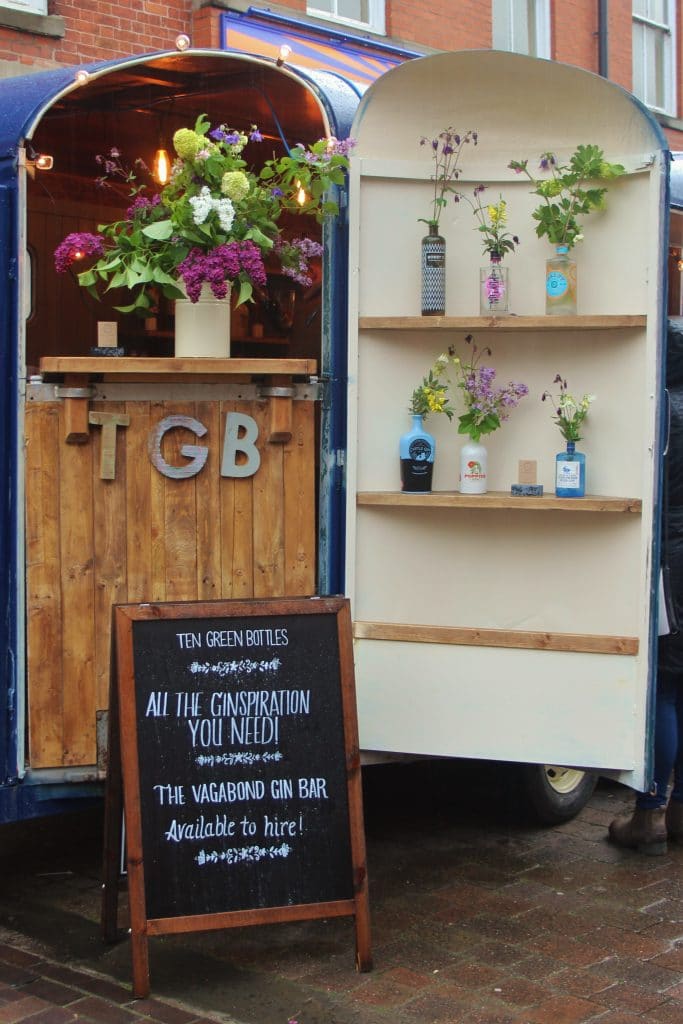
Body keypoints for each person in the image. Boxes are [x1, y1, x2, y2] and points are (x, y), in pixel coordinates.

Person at [609, 317, 683, 855]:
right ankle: (677, 812)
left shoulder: (661, 409)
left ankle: (649, 813)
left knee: (662, 685)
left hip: (669, 561)